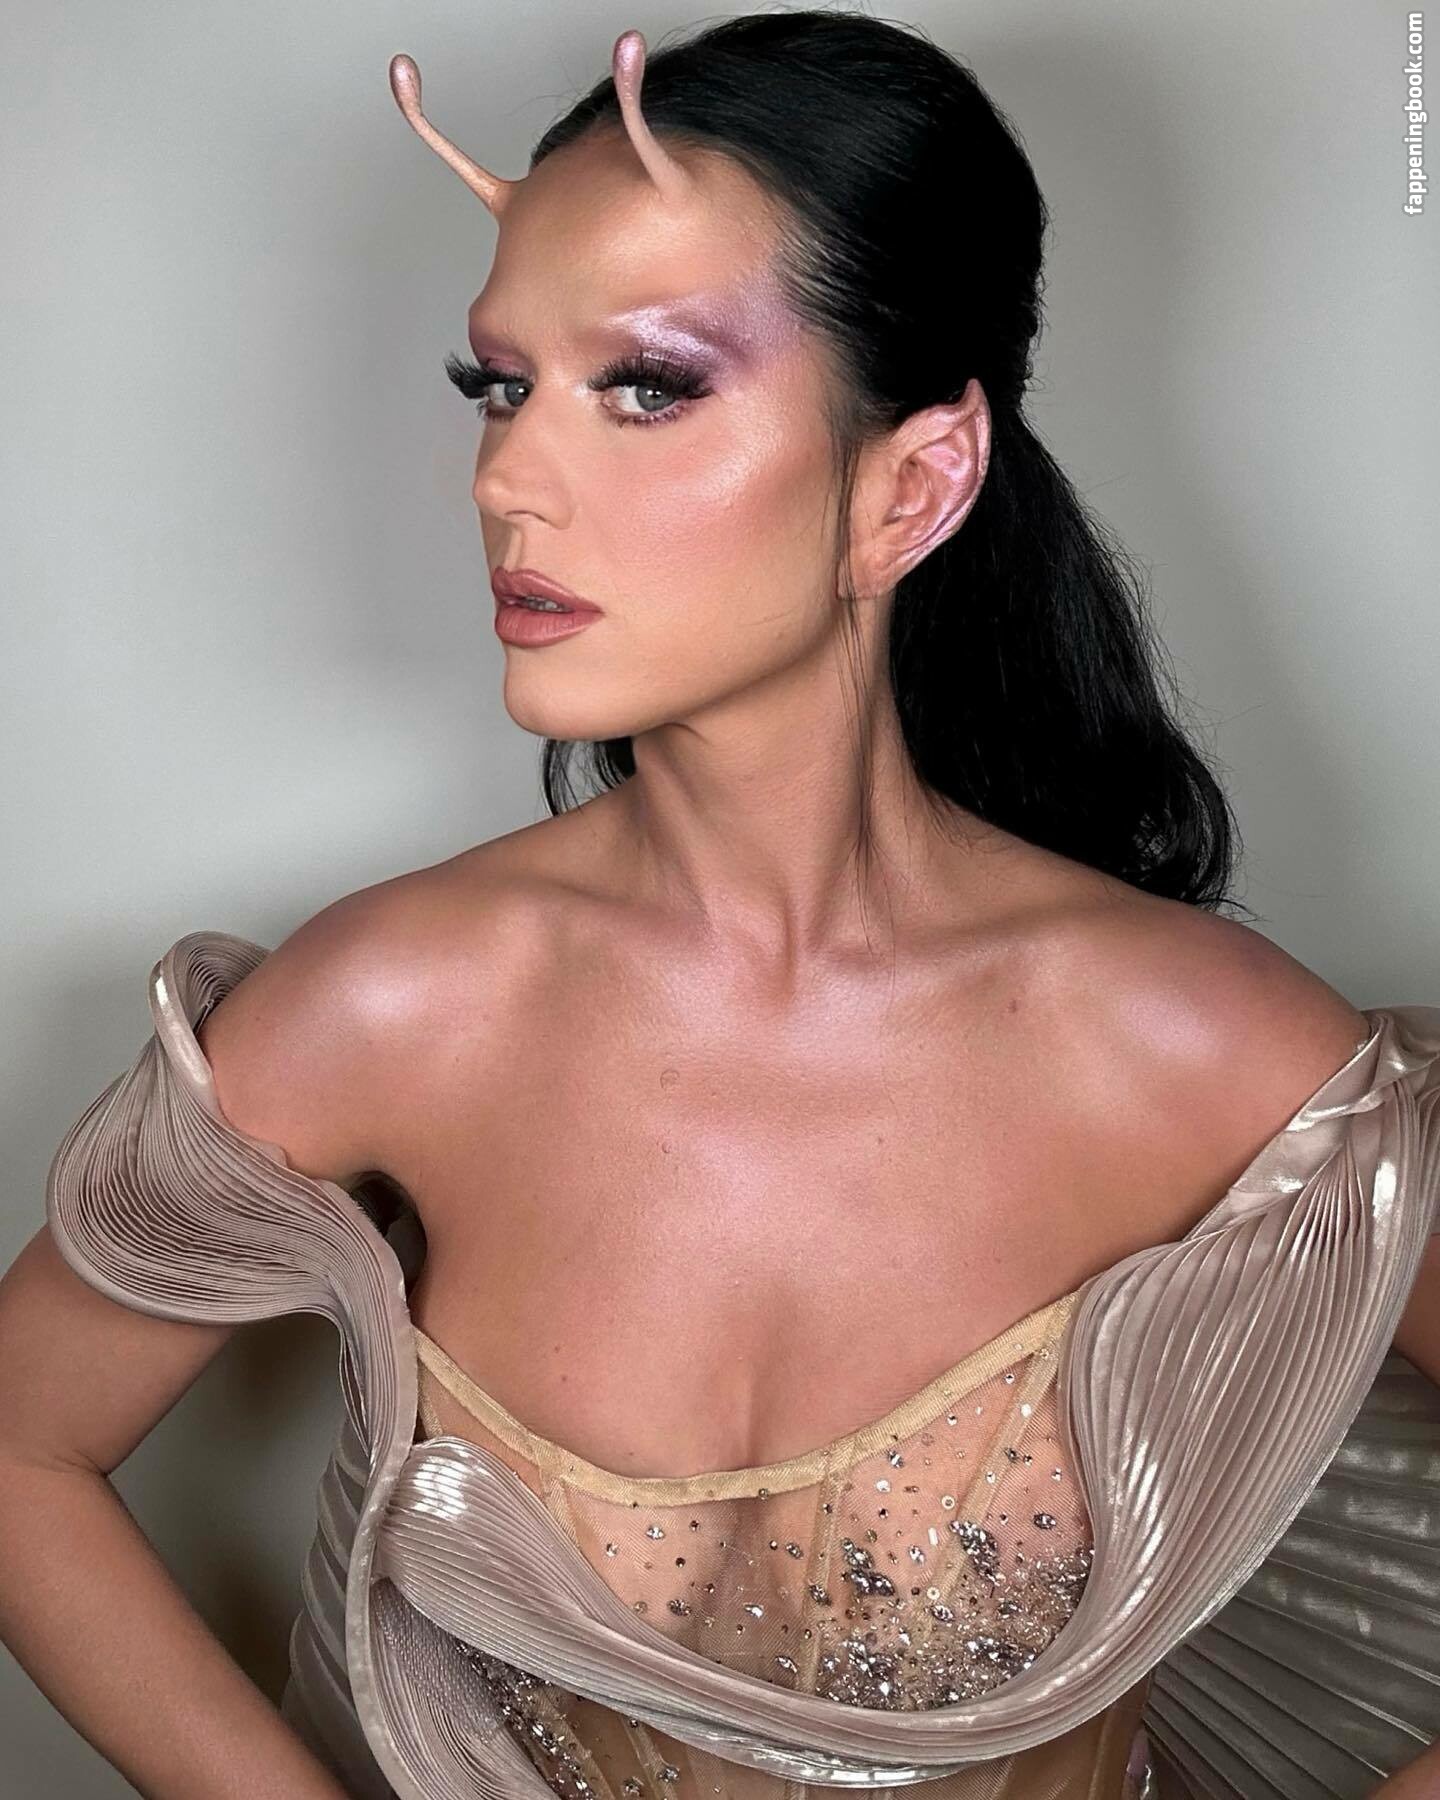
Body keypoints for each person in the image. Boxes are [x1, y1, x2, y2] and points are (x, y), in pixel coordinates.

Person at [2, 13, 1438, 1800]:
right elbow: (20, 1449)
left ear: (913, 482)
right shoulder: (398, 1006)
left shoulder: (1209, 1051)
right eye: (498, 385)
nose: (506, 478)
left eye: (647, 386)